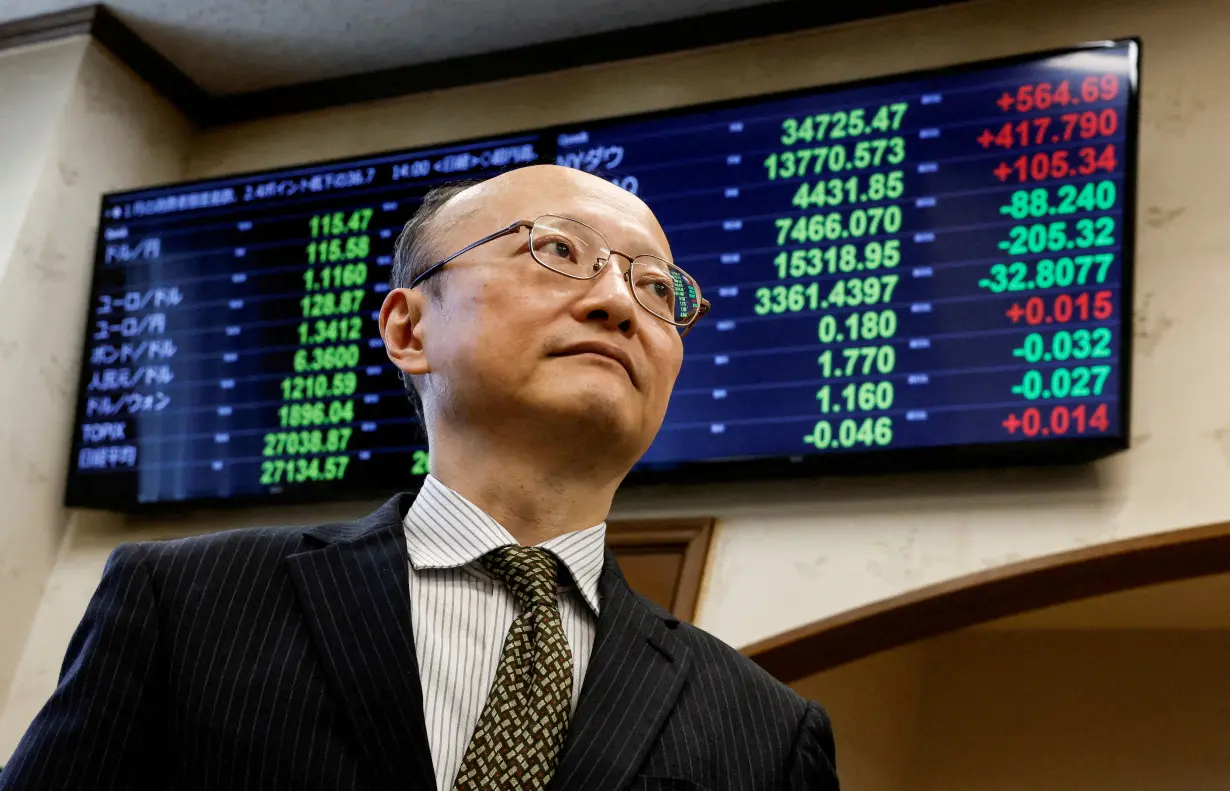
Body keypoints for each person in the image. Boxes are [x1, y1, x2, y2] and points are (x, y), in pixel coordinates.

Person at [0, 164, 838, 790]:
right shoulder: (185, 602)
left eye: (658, 288)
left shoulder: (768, 728)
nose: (618, 301)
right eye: (557, 250)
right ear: (408, 328)